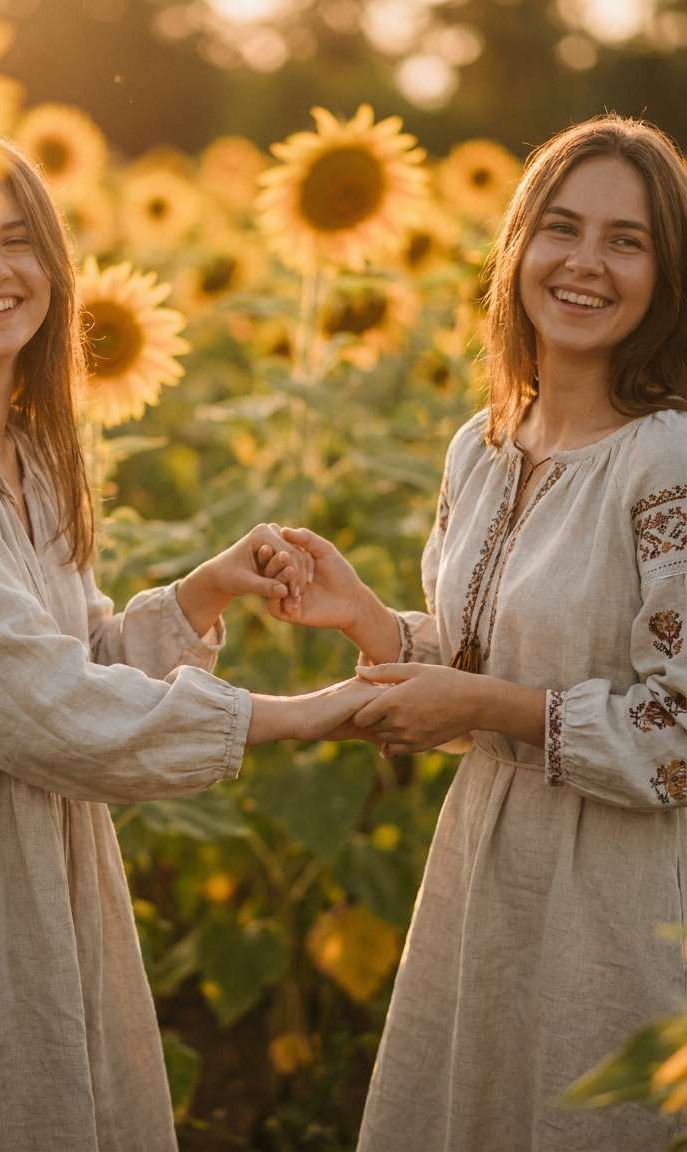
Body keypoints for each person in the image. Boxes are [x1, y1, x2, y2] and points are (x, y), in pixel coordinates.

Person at [0, 135, 378, 1152]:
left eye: (17, 240)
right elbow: (37, 701)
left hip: (18, 870)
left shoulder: (28, 445)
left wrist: (199, 591)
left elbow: (67, 653)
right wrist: (308, 716)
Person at [258, 114, 687, 1150]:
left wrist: (483, 704)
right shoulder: (483, 447)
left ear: (667, 273)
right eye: (561, 228)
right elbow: (474, 677)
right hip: (488, 876)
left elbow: (672, 738)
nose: (585, 264)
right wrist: (367, 618)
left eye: (625, 241)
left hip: (623, 896)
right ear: (516, 250)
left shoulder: (666, 459)